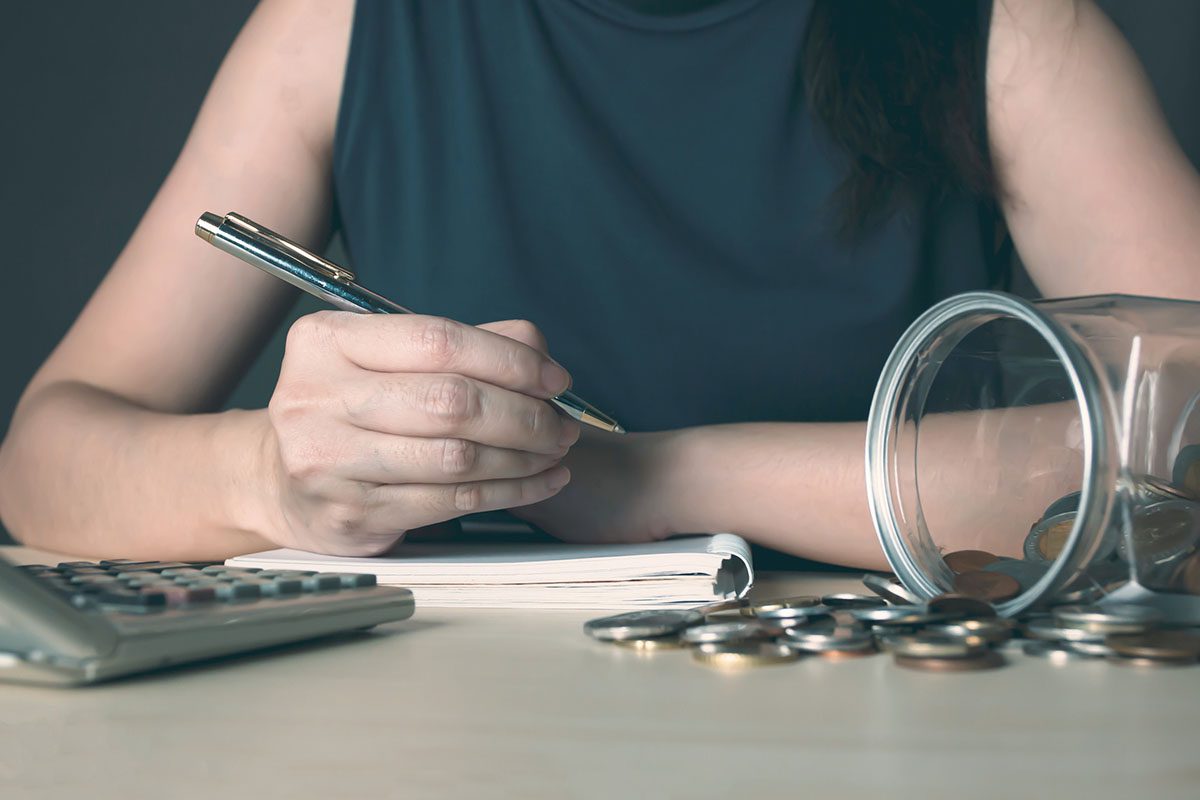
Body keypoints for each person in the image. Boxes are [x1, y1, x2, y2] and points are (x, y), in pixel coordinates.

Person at [3, 0, 1200, 569]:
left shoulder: (1005, 31)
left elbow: (1185, 440)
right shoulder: (339, 26)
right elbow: (44, 462)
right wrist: (268, 476)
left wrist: (662, 476)